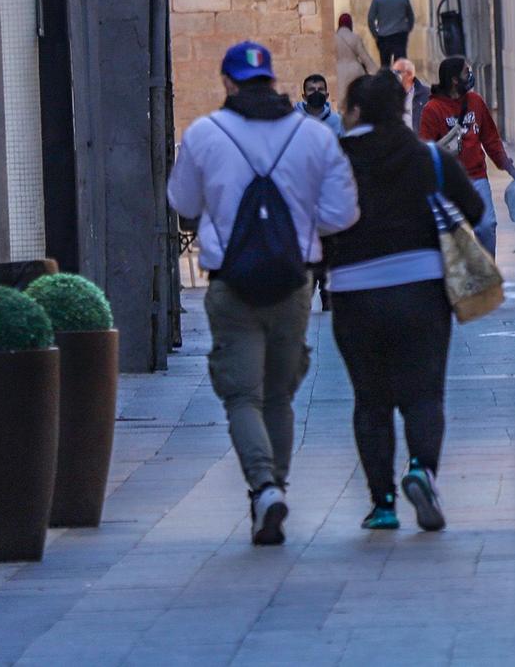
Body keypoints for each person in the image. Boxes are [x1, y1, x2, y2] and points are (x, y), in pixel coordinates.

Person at [166, 40, 358, 546]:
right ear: (274, 81)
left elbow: (181, 200)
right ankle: (277, 484)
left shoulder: (205, 134)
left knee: (241, 395)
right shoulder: (312, 137)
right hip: (294, 284)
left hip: (231, 285)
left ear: (229, 83)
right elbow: (342, 214)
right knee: (280, 395)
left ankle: (264, 488)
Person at [327, 72, 485, 533]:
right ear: (401, 108)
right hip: (421, 291)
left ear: (355, 111)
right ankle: (421, 470)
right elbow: (473, 212)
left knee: (370, 401)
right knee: (424, 393)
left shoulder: (336, 160)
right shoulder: (429, 158)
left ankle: (382, 504)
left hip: (354, 293)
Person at [419, 55, 515, 260]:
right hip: (447, 182)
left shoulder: (476, 102)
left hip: (476, 176)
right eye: (466, 72)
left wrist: (507, 165)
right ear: (455, 79)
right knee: (449, 235)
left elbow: (490, 138)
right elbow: (426, 149)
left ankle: (488, 266)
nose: (470, 75)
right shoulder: (433, 109)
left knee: (487, 225)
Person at [367, 0, 415, 67]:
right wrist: (407, 30)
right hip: (400, 36)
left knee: (385, 66)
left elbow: (370, 19)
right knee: (400, 66)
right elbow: (411, 17)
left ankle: (387, 81)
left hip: (384, 37)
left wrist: (375, 35)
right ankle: (398, 81)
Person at [335, 12, 377, 93]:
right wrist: (376, 72)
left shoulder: (333, 39)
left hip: (338, 72)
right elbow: (365, 57)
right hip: (355, 71)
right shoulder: (355, 37)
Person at [297, 72, 344, 138]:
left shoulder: (338, 122)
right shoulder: (294, 121)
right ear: (304, 97)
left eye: (320, 89)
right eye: (311, 89)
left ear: (327, 96)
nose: (316, 92)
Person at [391, 57, 431, 131]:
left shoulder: (427, 95)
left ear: (409, 74)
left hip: (417, 140)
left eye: (397, 72)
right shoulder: (389, 95)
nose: (393, 76)